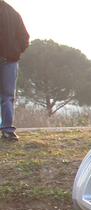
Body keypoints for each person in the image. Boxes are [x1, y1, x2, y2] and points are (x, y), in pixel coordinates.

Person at [0, 0, 29, 142]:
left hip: (9, 61)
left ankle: (7, 130)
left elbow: (24, 37)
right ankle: (6, 130)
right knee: (7, 97)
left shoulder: (12, 13)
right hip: (9, 61)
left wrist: (15, 52)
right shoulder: (12, 12)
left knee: (7, 96)